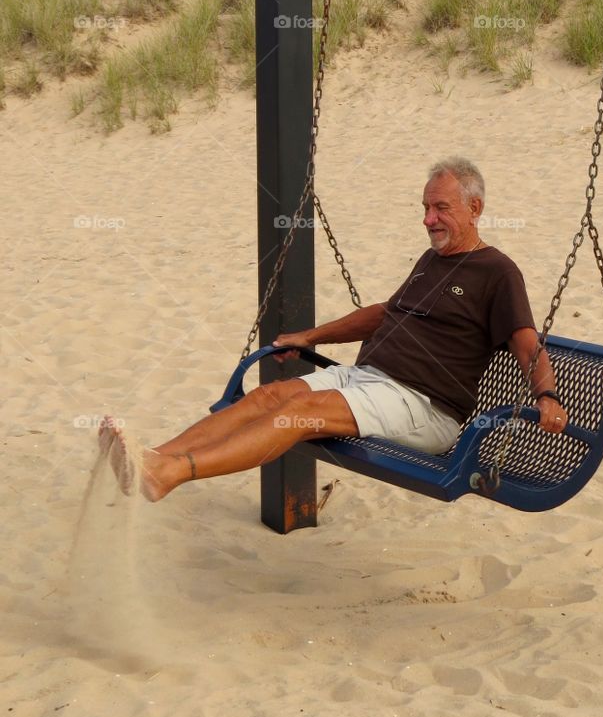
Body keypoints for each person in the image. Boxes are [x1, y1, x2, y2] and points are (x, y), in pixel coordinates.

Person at [102, 158, 566, 501]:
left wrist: (547, 396)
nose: (428, 219)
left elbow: (527, 344)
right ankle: (151, 458)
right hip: (368, 380)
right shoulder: (432, 260)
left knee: (300, 412)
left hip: (423, 407)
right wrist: (311, 336)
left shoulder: (497, 272)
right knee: (268, 396)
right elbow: (385, 313)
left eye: (440, 208)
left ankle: (173, 474)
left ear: (475, 207)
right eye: (425, 208)